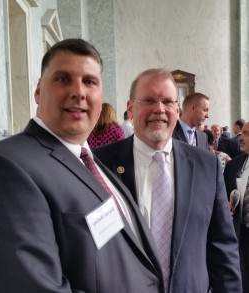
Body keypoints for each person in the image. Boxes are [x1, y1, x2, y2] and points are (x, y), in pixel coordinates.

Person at [0, 39, 165, 292]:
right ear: (38, 91)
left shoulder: (93, 162)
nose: (79, 92)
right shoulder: (3, 167)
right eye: (63, 79)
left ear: (100, 96)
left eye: (90, 82)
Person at [94, 68, 242, 292]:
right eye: (149, 100)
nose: (159, 109)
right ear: (130, 109)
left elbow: (222, 247)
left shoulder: (206, 166)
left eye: (168, 102)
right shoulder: (100, 164)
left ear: (177, 109)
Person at [224, 121, 249, 292]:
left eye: (247, 134)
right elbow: (224, 197)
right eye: (242, 133)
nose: (241, 138)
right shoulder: (233, 165)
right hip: (240, 236)